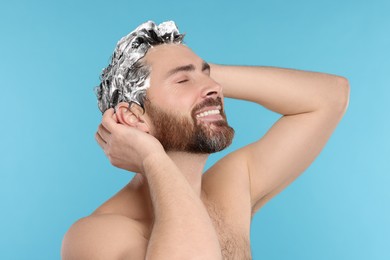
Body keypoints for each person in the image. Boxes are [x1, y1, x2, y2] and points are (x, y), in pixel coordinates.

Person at [61, 20, 350, 259]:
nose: (215, 88)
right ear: (134, 117)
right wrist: (151, 157)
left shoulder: (229, 191)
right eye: (182, 80)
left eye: (209, 76)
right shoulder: (96, 236)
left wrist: (194, 69)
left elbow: (330, 96)